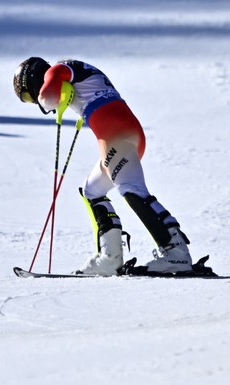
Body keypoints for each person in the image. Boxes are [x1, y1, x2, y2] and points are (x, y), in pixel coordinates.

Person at [13, 57, 193, 276]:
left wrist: (44, 100)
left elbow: (48, 98)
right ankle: (110, 258)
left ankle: (176, 252)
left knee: (131, 189)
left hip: (118, 135)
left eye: (27, 96)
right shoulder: (78, 70)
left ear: (33, 79)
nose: (33, 102)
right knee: (92, 191)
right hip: (124, 134)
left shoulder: (59, 69)